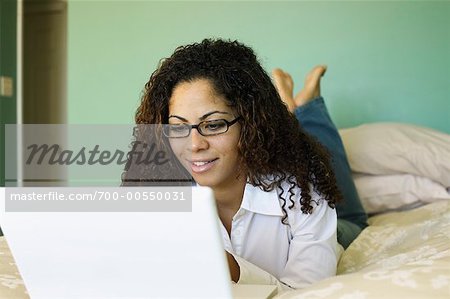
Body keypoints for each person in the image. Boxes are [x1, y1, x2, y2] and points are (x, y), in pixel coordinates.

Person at [123, 38, 367, 291]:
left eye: (213, 124)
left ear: (251, 123)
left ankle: (309, 106)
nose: (194, 145)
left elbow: (305, 293)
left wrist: (234, 270)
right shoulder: (161, 199)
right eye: (178, 127)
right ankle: (292, 107)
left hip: (328, 219)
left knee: (352, 218)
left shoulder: (303, 191)